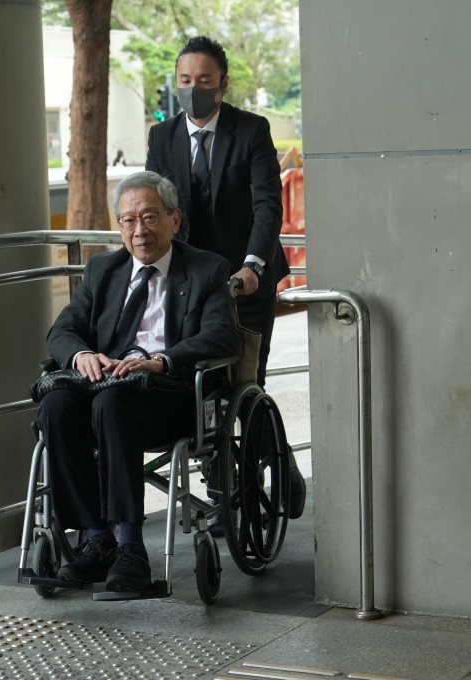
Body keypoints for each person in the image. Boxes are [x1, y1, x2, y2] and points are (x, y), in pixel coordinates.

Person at [37, 171, 240, 592]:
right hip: (106, 388)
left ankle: (131, 548)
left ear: (174, 220)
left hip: (170, 396)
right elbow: (62, 330)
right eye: (128, 221)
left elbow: (222, 335)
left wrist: (161, 361)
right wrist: (83, 355)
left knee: (110, 405)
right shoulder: (103, 270)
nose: (139, 231)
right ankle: (97, 541)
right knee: (56, 406)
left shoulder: (205, 269)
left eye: (150, 217)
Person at [146, 35, 306, 520]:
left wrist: (254, 265)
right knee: (202, 388)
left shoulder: (251, 130)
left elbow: (266, 205)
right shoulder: (163, 137)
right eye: (185, 81)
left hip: (245, 281)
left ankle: (244, 488)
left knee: (244, 383)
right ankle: (237, 484)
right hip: (190, 287)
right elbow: (154, 207)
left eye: (205, 82)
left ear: (223, 84)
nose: (194, 90)